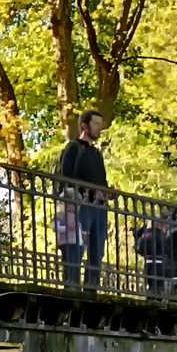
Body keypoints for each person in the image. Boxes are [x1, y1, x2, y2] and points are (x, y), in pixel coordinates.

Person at [56, 109, 109, 290]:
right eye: (96, 124)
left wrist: (107, 193)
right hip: (81, 206)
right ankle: (72, 287)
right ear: (84, 126)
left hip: (99, 207)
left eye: (100, 125)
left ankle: (91, 288)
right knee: (76, 246)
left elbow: (101, 179)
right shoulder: (74, 147)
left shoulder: (96, 153)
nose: (99, 129)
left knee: (97, 251)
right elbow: (66, 176)